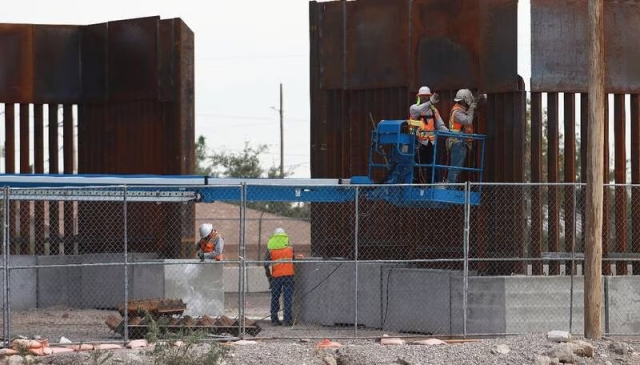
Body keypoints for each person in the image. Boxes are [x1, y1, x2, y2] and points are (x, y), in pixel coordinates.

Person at [409, 86, 449, 183]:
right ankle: (417, 187)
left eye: (427, 96)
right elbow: (419, 110)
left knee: (432, 166)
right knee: (418, 167)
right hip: (418, 142)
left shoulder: (434, 111)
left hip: (431, 143)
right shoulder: (414, 108)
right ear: (419, 97)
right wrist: (430, 102)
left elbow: (441, 125)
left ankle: (432, 186)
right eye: (422, 96)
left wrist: (450, 134)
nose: (425, 98)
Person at [264, 227, 296, 326]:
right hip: (288, 275)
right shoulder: (290, 247)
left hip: (276, 276)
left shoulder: (270, 248)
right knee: (288, 298)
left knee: (275, 298)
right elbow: (293, 260)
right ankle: (287, 320)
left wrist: (269, 277)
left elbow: (265, 264)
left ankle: (274, 319)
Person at [447, 89, 477, 184]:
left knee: (457, 167)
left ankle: (452, 187)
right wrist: (471, 109)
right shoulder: (457, 112)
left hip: (459, 141)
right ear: (465, 100)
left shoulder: (460, 110)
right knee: (455, 168)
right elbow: (467, 121)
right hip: (457, 142)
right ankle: (451, 189)